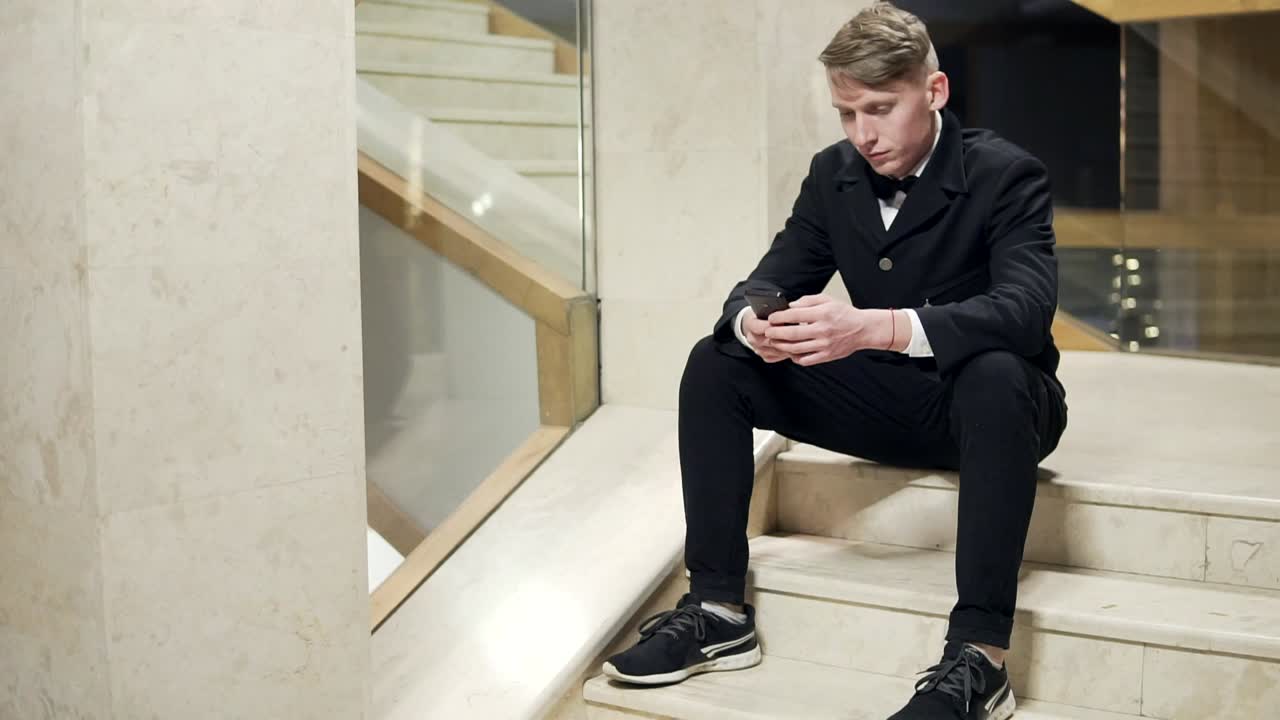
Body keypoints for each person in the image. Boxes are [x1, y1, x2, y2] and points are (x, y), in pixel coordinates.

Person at [601, 2, 1067, 718]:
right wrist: (755, 319)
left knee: (997, 371)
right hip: (888, 403)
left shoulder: (1007, 174)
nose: (864, 134)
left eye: (880, 108)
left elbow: (1025, 312)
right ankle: (719, 612)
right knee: (716, 361)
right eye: (847, 113)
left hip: (995, 407)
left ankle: (981, 658)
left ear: (934, 92)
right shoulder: (834, 174)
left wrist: (878, 327)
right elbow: (769, 277)